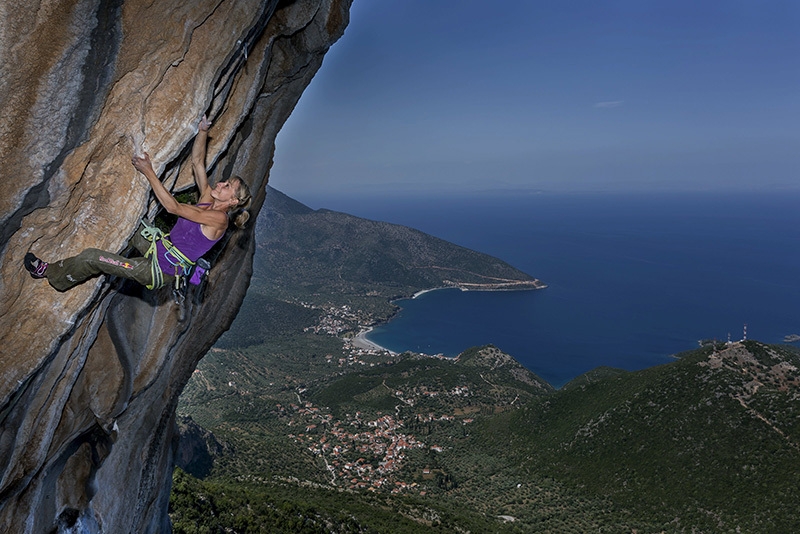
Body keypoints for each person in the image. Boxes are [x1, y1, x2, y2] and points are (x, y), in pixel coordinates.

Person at [24, 115, 252, 292]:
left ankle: (49, 272)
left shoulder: (219, 220)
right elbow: (197, 164)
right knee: (126, 214)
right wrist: (203, 131)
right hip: (158, 246)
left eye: (227, 186)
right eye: (224, 181)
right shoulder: (207, 200)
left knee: (92, 258)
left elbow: (173, 207)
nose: (220, 184)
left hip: (159, 271)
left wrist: (149, 172)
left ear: (232, 201)